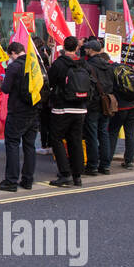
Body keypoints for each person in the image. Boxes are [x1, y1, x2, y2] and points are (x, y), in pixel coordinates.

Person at [0, 41, 37, 191]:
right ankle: (28, 180)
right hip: (34, 109)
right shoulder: (35, 63)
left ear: (12, 53)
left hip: (17, 111)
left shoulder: (14, 66)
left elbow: (6, 88)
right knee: (29, 146)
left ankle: (11, 181)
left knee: (12, 144)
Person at [46, 35, 88, 188]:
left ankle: (65, 174)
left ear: (64, 47)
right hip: (81, 107)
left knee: (56, 139)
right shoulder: (83, 63)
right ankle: (77, 175)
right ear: (77, 47)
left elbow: (49, 82)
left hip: (62, 107)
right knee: (75, 140)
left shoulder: (59, 63)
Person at [81, 38, 114, 176]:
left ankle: (93, 165)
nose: (85, 50)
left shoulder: (88, 65)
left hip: (93, 104)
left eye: (87, 48)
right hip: (106, 103)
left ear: (91, 50)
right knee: (104, 134)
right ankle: (105, 165)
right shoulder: (108, 65)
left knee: (92, 136)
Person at [107, 53, 134, 170]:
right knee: (131, 134)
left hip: (121, 107)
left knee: (113, 133)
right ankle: (129, 161)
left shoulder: (110, 71)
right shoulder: (126, 67)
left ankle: (108, 159)